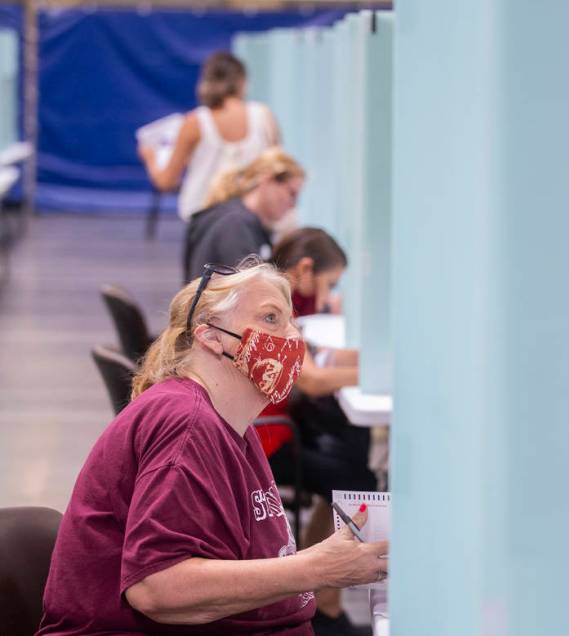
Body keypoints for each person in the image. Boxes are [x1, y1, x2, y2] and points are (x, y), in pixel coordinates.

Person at [38, 260, 387, 635]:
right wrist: (316, 568)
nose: (292, 339)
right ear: (212, 336)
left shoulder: (232, 426)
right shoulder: (186, 423)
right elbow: (156, 586)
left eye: (291, 322)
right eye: (271, 319)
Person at [265, 228, 375, 636]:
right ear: (305, 269)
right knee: (355, 479)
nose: (328, 294)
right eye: (329, 283)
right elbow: (310, 379)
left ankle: (319, 598)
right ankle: (321, 605)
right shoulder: (273, 305)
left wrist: (373, 358)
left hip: (270, 426)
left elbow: (316, 357)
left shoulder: (270, 293)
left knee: (348, 464)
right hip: (263, 439)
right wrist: (384, 374)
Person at [139, 51, 280, 222]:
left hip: (204, 218)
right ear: (242, 82)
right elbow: (277, 166)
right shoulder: (264, 115)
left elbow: (166, 181)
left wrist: (149, 155)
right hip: (253, 219)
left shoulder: (194, 123)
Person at [183, 147, 304, 283]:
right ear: (267, 181)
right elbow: (250, 290)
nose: (293, 204)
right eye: (292, 193)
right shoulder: (236, 226)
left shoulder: (236, 219)